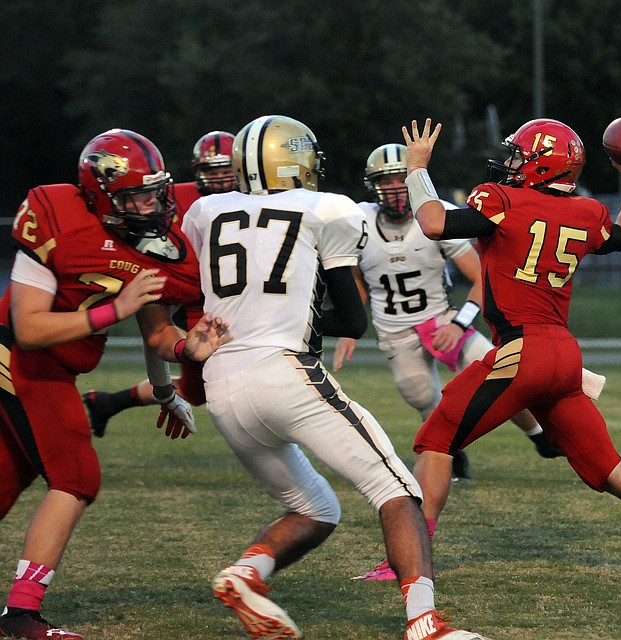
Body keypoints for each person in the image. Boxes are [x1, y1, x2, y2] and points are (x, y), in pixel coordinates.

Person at [180, 114, 489, 640]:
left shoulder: (206, 210)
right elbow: (351, 318)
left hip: (222, 387)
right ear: (295, 161)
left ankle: (246, 573)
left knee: (316, 507)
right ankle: (426, 625)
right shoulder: (326, 207)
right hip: (283, 372)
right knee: (398, 488)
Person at [394, 116, 621, 576]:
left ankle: (410, 563)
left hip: (521, 349)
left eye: (519, 157)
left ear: (541, 166)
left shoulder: (502, 200)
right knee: (611, 467)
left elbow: (432, 223)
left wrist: (416, 168)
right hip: (564, 355)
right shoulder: (584, 212)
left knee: (435, 439)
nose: (509, 164)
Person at [0, 128, 231, 640]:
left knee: (4, 486)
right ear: (101, 195)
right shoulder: (57, 212)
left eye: (157, 190)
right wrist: (114, 309)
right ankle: (21, 616)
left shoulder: (154, 247)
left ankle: (18, 613)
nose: (153, 203)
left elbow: (157, 330)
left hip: (49, 367)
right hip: (17, 357)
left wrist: (186, 351)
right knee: (77, 476)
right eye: (137, 194)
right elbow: (29, 327)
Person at [337, 143, 605, 581]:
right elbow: (355, 279)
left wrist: (460, 323)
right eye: (385, 181)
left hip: (445, 319)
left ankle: (540, 435)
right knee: (423, 395)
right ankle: (451, 453)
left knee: (503, 370)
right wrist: (352, 325)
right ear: (374, 187)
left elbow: (480, 274)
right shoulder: (361, 224)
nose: (394, 189)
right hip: (396, 329)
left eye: (399, 178)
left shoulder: (436, 210)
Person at [82, 131, 238, 437]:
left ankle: (107, 402)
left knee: (196, 391)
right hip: (193, 300)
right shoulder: (160, 199)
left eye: (226, 170)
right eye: (212, 171)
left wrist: (165, 391)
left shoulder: (256, 200)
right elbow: (154, 317)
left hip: (223, 297)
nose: (220, 179)